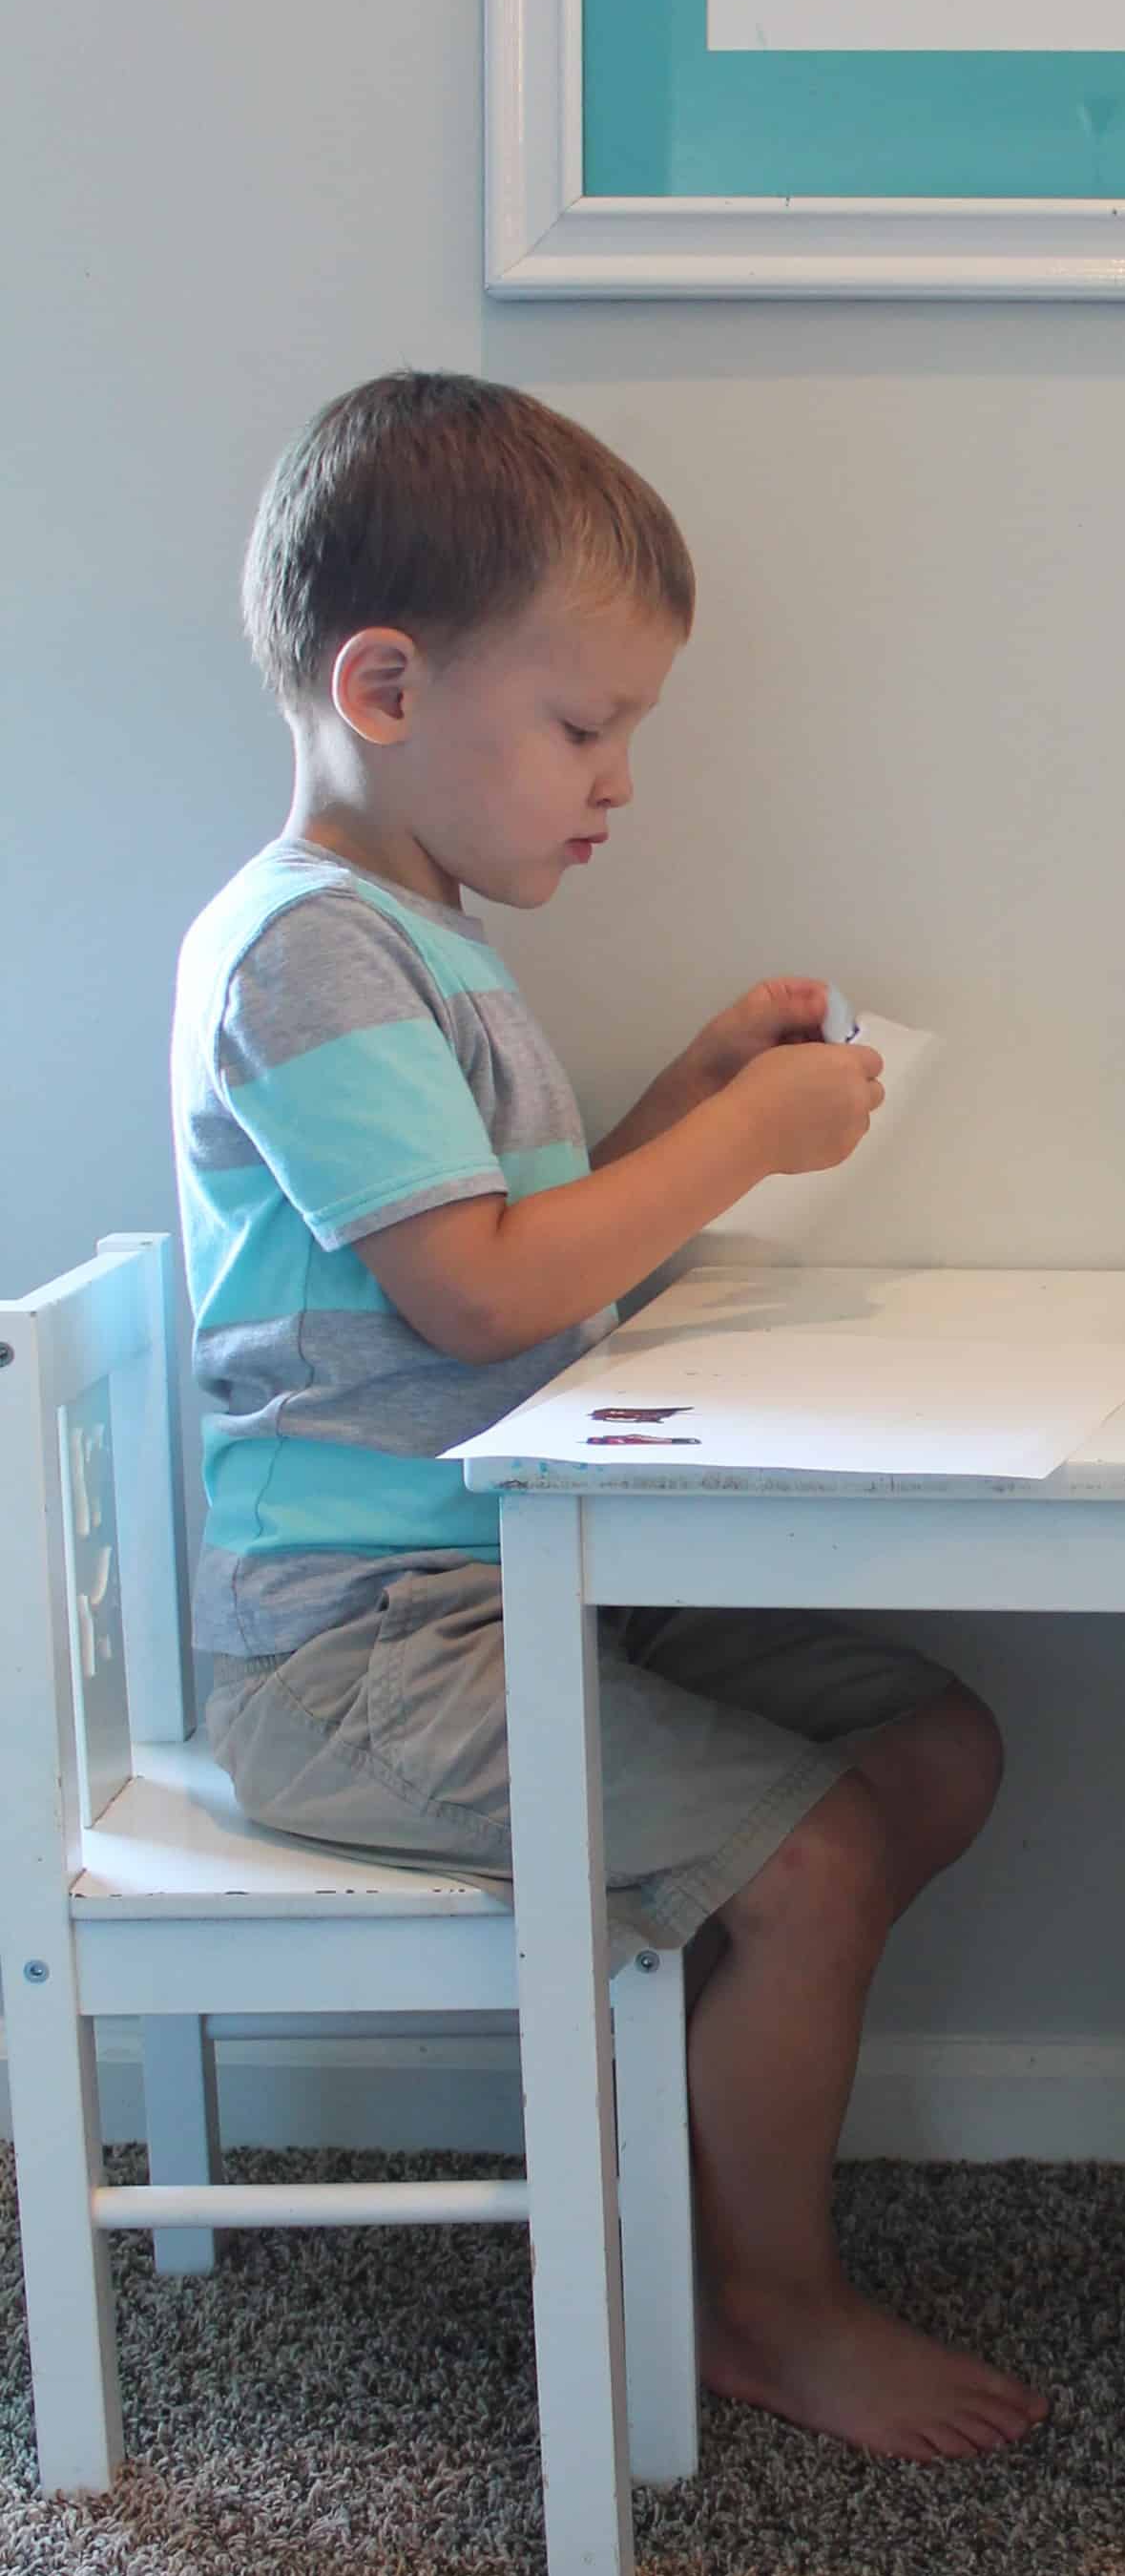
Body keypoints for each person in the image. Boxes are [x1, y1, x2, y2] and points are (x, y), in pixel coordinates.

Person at [174, 369, 1043, 2465]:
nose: (620, 781)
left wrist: (678, 1098)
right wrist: (735, 1142)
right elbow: (477, 1290)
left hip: (512, 1587)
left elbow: (528, 1247)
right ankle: (769, 2304)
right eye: (584, 726)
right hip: (361, 1653)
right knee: (821, 1851)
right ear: (381, 685)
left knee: (928, 1737)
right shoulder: (306, 953)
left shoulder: (417, 943)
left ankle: (696, 2121)